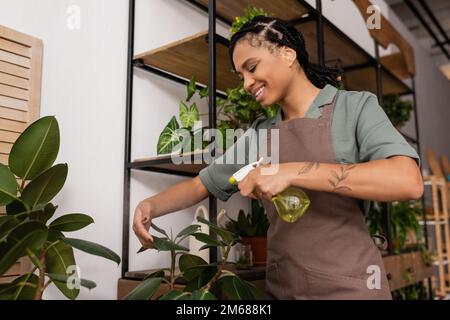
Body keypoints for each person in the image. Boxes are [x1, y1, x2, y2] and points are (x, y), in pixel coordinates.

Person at [133, 16, 423, 300]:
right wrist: (150, 205)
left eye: (252, 67)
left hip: (352, 286)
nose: (246, 83)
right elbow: (201, 185)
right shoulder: (262, 133)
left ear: (287, 54)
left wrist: (291, 172)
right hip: (285, 288)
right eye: (241, 76)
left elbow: (407, 181)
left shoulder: (354, 108)